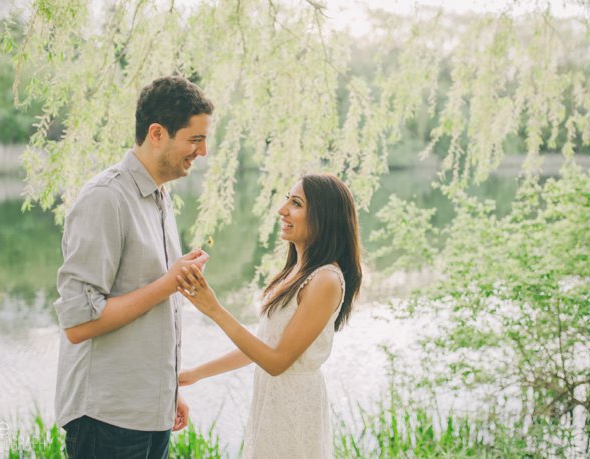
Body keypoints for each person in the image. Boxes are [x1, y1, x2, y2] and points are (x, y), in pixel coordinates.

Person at [52, 75, 214, 457]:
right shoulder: (106, 199)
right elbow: (78, 324)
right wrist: (170, 282)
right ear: (157, 133)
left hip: (148, 413)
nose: (203, 151)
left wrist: (166, 393)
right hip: (107, 419)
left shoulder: (159, 197)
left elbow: (149, 312)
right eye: (195, 139)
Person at [177, 173, 362, 459]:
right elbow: (264, 346)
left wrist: (214, 309)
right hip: (272, 403)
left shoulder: (325, 279)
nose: (282, 210)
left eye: (296, 203)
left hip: (294, 407)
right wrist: (196, 374)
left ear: (323, 217)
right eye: (286, 199)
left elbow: (277, 362)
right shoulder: (295, 274)